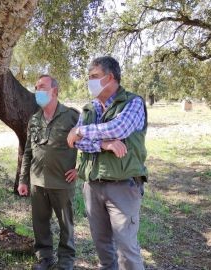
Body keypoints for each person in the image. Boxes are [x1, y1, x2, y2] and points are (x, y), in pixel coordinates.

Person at [66, 56, 147, 270]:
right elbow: (76, 143)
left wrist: (81, 130)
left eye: (94, 76)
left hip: (123, 186)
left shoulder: (133, 102)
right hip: (93, 185)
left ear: (110, 78)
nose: (89, 81)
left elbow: (118, 128)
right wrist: (104, 145)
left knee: (127, 250)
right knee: (102, 247)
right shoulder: (89, 108)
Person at [18, 75, 79, 270]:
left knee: (65, 225)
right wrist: (23, 180)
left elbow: (89, 145)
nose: (38, 91)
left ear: (55, 91)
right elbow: (27, 151)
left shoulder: (72, 116)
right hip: (37, 182)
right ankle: (45, 258)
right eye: (36, 87)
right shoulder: (34, 119)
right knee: (40, 224)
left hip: (62, 182)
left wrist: (80, 169)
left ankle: (66, 262)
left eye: (42, 87)